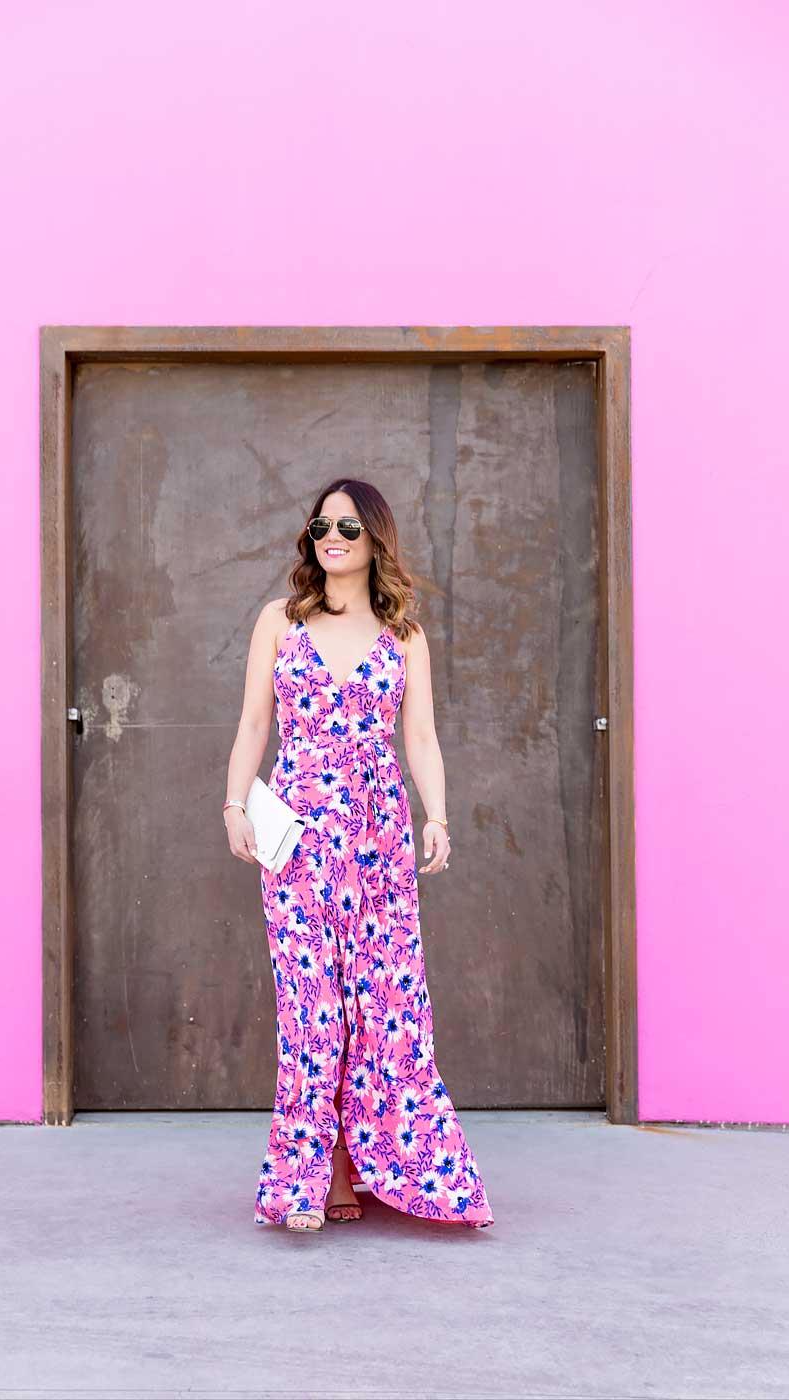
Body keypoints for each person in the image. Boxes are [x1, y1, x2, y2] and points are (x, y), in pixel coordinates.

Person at [223, 479, 494, 1234]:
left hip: (379, 843)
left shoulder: (405, 635)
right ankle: (311, 1176)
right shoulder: (280, 622)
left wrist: (436, 816)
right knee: (312, 1009)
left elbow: (422, 739)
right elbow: (252, 727)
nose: (331, 535)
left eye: (347, 525)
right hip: (300, 841)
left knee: (385, 1009)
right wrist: (234, 804)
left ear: (375, 538)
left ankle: (384, 1164)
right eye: (320, 525)